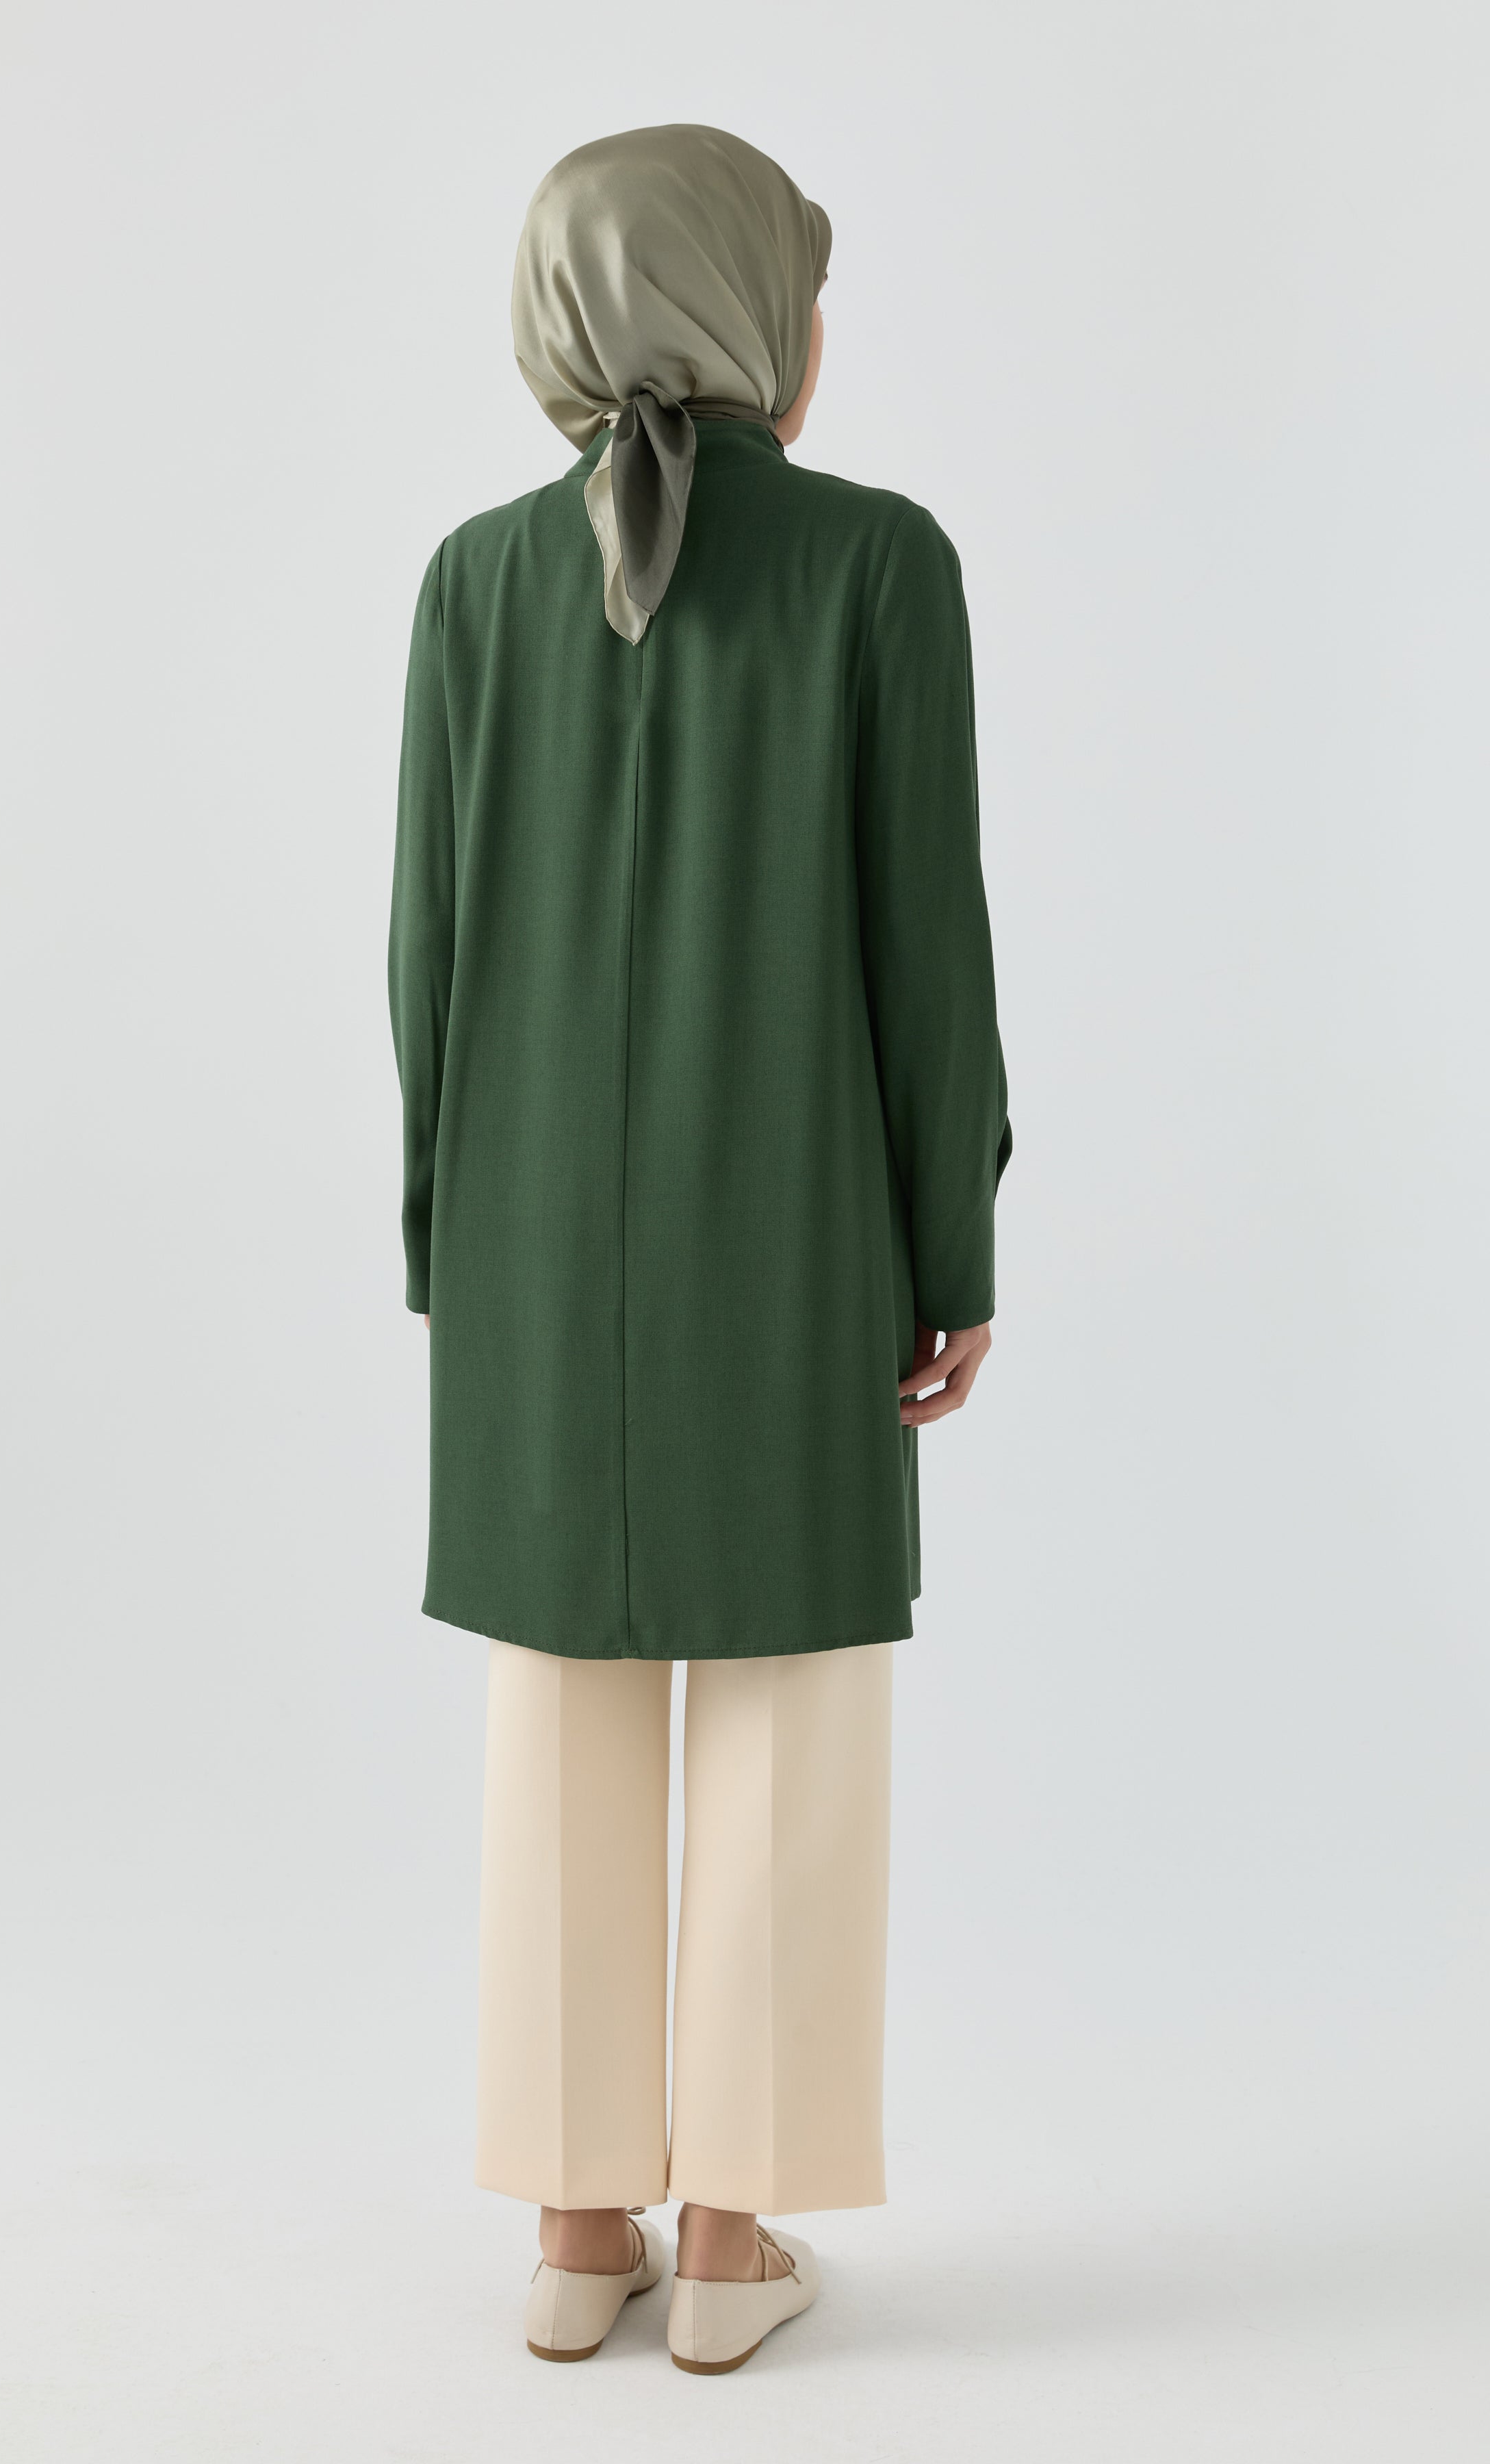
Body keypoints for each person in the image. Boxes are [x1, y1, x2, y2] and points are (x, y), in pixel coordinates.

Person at [389, 123, 1010, 2375]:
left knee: (556, 1723)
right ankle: (728, 2241)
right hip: (799, 1238)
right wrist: (952, 1243)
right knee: (786, 1715)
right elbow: (925, 942)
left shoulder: (476, 580)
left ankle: (580, 2231)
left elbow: (425, 953)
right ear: (759, 316)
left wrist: (453, 1248)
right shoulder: (879, 565)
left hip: (536, 1253)